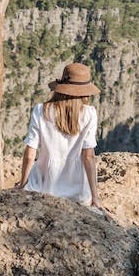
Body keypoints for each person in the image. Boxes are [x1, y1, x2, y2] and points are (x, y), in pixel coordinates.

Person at [16, 62, 104, 211]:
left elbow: (30, 155)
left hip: (42, 187)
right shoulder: (89, 114)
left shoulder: (40, 110)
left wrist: (23, 184)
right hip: (77, 192)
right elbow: (88, 157)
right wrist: (95, 196)